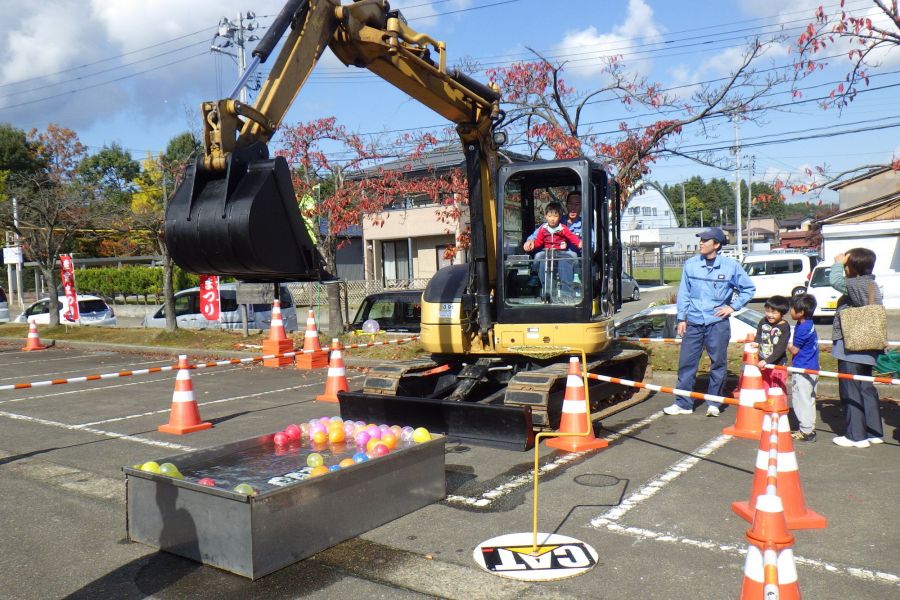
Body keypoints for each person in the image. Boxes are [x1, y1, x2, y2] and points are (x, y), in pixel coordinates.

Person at [664, 227, 756, 416]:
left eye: (705, 241)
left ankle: (714, 402)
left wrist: (732, 307)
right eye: (701, 240)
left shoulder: (731, 266)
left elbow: (748, 289)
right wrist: (682, 318)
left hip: (717, 323)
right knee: (686, 363)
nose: (701, 243)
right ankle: (683, 403)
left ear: (717, 245)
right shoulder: (691, 265)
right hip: (694, 322)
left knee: (718, 363)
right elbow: (684, 293)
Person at [829, 249, 884, 448]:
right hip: (868, 347)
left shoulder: (856, 283)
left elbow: (835, 281)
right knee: (866, 389)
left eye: (846, 263)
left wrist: (836, 262)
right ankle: (873, 432)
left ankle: (856, 436)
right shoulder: (871, 284)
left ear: (852, 266)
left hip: (851, 348)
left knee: (850, 390)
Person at [525, 201, 582, 297]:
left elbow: (571, 237)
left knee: (574, 256)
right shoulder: (543, 229)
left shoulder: (563, 228)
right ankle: (535, 275)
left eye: (555, 216)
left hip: (561, 252)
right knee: (538, 256)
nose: (552, 219)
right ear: (545, 216)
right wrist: (532, 244)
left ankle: (576, 276)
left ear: (560, 217)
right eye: (550, 216)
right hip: (548, 252)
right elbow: (538, 241)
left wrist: (579, 243)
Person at [788, 293, 819, 442]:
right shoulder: (808, 323)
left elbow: (794, 349)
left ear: (801, 313)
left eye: (792, 308)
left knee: (801, 400)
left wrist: (784, 343)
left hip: (803, 368)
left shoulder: (802, 328)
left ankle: (806, 431)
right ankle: (809, 427)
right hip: (812, 366)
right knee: (809, 399)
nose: (790, 311)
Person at [755, 295, 790, 394]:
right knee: (764, 385)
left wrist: (768, 360)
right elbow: (759, 333)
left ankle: (778, 408)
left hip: (777, 363)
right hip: (763, 360)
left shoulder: (784, 327)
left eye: (774, 313)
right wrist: (756, 342)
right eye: (767, 311)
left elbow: (781, 348)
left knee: (777, 387)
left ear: (782, 313)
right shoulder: (763, 321)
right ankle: (766, 406)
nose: (770, 315)